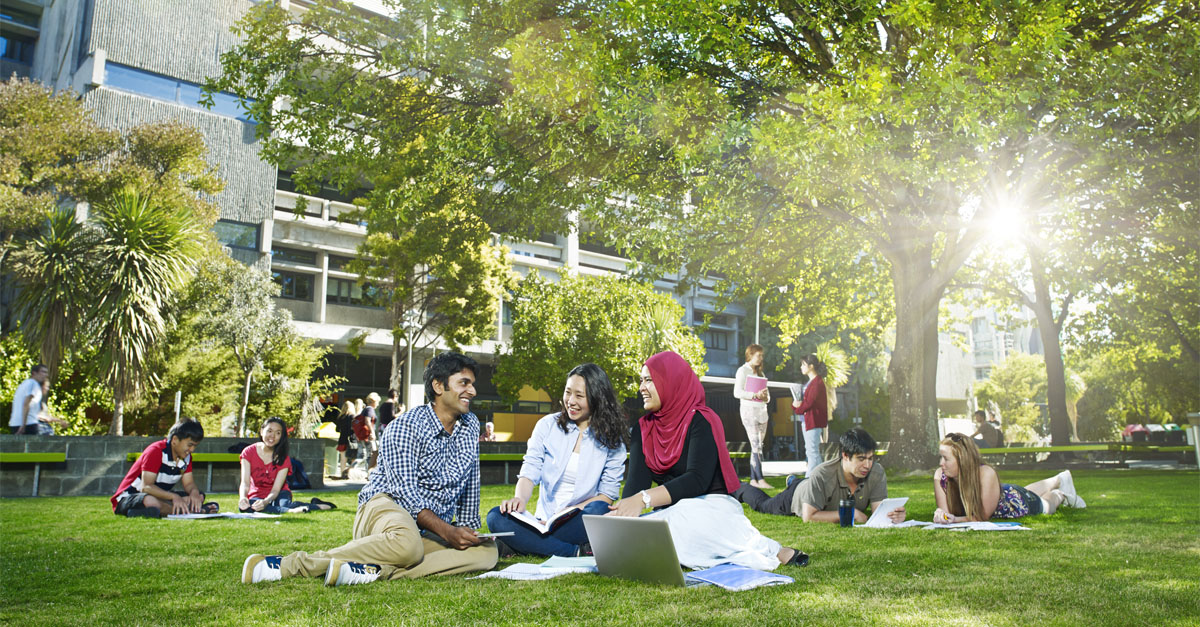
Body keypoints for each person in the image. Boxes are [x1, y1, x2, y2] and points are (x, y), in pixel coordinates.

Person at [242, 352, 497, 586]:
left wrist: (469, 531)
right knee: (408, 545)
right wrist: (448, 531)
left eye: (472, 384)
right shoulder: (406, 427)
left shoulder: (470, 425)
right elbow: (406, 495)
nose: (472, 391)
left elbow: (470, 483)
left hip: (427, 528)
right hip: (386, 507)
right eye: (464, 383)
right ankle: (290, 565)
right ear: (439, 386)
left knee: (486, 554)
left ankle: (373, 571)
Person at [608, 351, 807, 571]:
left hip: (711, 510)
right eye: (641, 381)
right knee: (644, 529)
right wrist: (621, 514)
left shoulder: (701, 420)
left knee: (682, 516)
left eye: (649, 380)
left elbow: (697, 480)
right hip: (672, 514)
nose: (641, 388)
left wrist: (643, 499)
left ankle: (771, 549)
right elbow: (636, 484)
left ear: (671, 382)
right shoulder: (643, 429)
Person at [486, 363, 628, 557]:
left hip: (578, 517)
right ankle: (574, 551)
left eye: (579, 395)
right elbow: (530, 470)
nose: (571, 401)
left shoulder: (613, 441)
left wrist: (565, 514)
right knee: (495, 516)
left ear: (597, 398)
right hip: (541, 520)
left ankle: (523, 544)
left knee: (600, 510)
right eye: (568, 392)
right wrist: (519, 499)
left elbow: (607, 495)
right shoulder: (547, 426)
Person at [733, 428, 906, 524]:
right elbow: (809, 517)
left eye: (870, 458)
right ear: (845, 455)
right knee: (762, 504)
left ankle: (794, 480)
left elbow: (877, 514)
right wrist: (848, 514)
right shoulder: (823, 474)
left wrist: (893, 516)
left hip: (813, 486)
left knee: (811, 483)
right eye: (861, 459)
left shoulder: (876, 472)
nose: (867, 465)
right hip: (796, 496)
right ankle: (738, 486)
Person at [933, 433, 1085, 524]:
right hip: (1003, 494)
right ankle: (1059, 478)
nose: (941, 463)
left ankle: (1062, 494)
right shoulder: (940, 475)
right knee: (1028, 491)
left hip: (1015, 502)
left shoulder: (986, 473)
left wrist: (954, 520)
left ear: (962, 459)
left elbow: (981, 516)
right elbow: (946, 514)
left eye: (946, 459)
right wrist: (942, 516)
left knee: (1046, 505)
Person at [111, 420, 216, 517]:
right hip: (130, 497)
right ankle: (194, 511)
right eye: (190, 445)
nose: (192, 449)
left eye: (195, 446)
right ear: (175, 439)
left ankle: (152, 511)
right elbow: (146, 487)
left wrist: (194, 493)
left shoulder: (186, 458)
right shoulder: (156, 451)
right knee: (150, 501)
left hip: (160, 496)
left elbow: (189, 484)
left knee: (199, 496)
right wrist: (174, 497)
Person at [238, 417, 332, 514]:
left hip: (280, 493)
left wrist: (266, 501)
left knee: (283, 505)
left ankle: (313, 506)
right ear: (262, 431)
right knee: (248, 508)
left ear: (281, 437)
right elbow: (245, 482)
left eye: (278, 433)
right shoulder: (248, 452)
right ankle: (293, 509)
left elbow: (275, 489)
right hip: (257, 494)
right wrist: (243, 498)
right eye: (269, 431)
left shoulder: (283, 458)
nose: (272, 436)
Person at [734, 344, 771, 490]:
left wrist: (765, 397)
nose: (761, 358)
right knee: (756, 445)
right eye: (758, 355)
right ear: (750, 355)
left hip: (762, 412)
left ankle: (753, 479)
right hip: (749, 412)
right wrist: (754, 395)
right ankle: (760, 478)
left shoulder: (761, 373)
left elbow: (767, 396)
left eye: (762, 355)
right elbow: (737, 392)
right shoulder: (742, 371)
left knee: (758, 447)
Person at [792, 354, 829, 476]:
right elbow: (805, 402)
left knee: (812, 451)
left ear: (811, 366)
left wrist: (797, 409)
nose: (801, 367)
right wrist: (796, 405)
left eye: (803, 364)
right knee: (812, 451)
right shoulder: (811, 382)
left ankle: (809, 478)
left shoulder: (817, 382)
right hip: (807, 420)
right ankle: (820, 476)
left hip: (813, 421)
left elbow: (809, 403)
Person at [9, 364, 50, 435]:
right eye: (43, 372)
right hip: (28, 424)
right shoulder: (33, 384)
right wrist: (23, 425)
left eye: (46, 372)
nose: (45, 375)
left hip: (14, 423)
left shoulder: (24, 384)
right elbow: (26, 404)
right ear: (34, 373)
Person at [334, 400, 355, 478]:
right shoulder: (352, 416)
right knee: (354, 458)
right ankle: (349, 473)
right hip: (351, 440)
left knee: (343, 458)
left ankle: (342, 473)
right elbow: (353, 428)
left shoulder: (340, 417)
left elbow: (337, 429)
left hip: (342, 439)